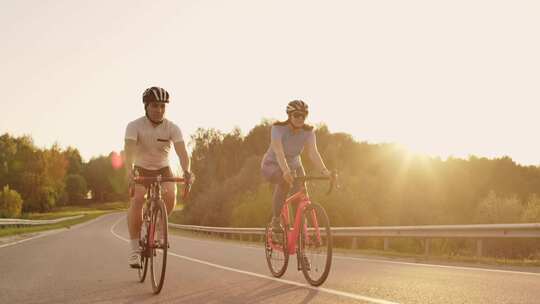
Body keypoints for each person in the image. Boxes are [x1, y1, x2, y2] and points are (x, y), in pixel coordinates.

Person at [124, 86, 192, 268]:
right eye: (155, 105)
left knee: (170, 195)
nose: (159, 110)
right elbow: (129, 151)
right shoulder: (134, 126)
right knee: (137, 199)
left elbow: (182, 153)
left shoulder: (172, 128)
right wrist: (129, 170)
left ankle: (160, 225)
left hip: (163, 168)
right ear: (146, 106)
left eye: (162, 106)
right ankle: (134, 251)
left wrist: (187, 171)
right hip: (141, 168)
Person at [260, 100, 331, 232]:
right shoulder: (278, 128)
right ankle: (275, 221)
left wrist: (325, 171)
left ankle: (300, 231)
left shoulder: (308, 132)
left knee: (301, 194)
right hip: (272, 164)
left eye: (303, 115)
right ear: (289, 115)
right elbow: (278, 151)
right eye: (297, 115)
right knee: (284, 182)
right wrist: (285, 171)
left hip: (295, 164)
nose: (300, 118)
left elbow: (313, 152)